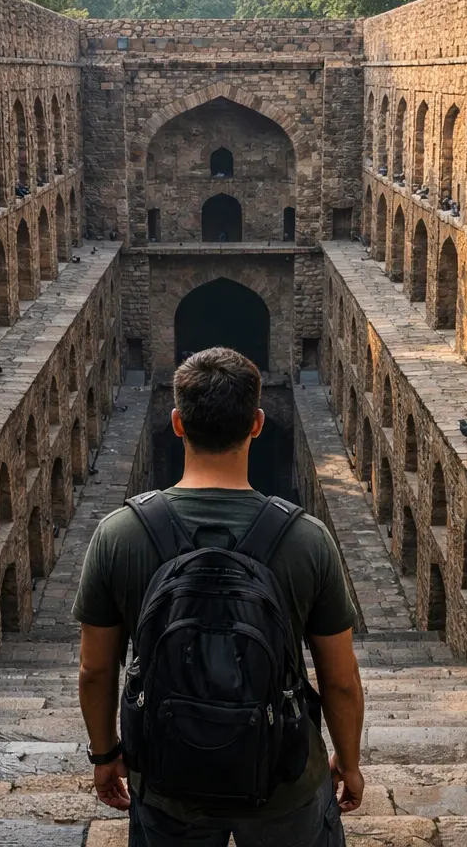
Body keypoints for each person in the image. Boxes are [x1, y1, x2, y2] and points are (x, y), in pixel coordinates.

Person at [73, 347, 366, 846]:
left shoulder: (118, 535)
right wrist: (350, 762)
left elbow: (96, 670)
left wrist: (105, 755)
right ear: (257, 423)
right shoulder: (307, 540)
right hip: (285, 779)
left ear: (176, 424)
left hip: (168, 779)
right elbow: (339, 680)